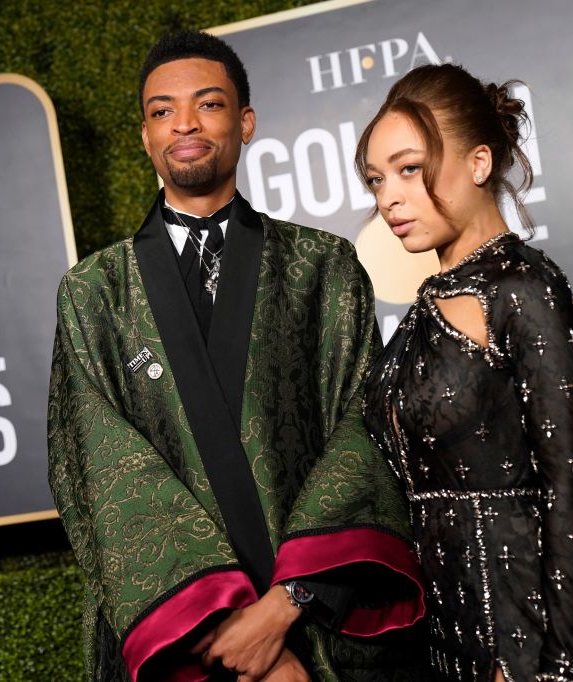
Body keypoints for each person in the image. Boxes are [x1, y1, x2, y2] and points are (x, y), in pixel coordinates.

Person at [48, 30, 427, 682]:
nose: (184, 124)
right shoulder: (95, 293)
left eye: (209, 104)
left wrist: (284, 609)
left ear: (245, 122)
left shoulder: (322, 268)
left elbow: (364, 438)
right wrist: (227, 631)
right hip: (178, 643)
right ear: (145, 136)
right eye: (162, 111)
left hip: (309, 625)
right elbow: (98, 472)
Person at [355, 63, 573, 682]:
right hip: (444, 634)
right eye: (377, 180)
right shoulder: (422, 311)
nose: (388, 198)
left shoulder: (522, 285)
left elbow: (567, 484)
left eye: (409, 169)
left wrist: (566, 662)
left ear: (480, 163)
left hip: (530, 636)